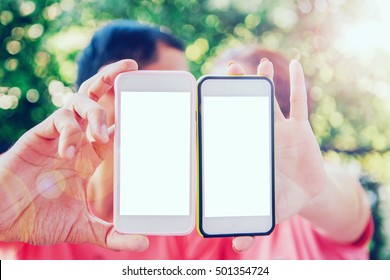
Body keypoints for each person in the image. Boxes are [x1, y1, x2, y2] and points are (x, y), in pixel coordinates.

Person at [0, 21, 372, 259]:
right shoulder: (32, 203)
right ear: (106, 94)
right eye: (169, 91)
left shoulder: (196, 224)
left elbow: (348, 220)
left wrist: (317, 188)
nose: (189, 110)